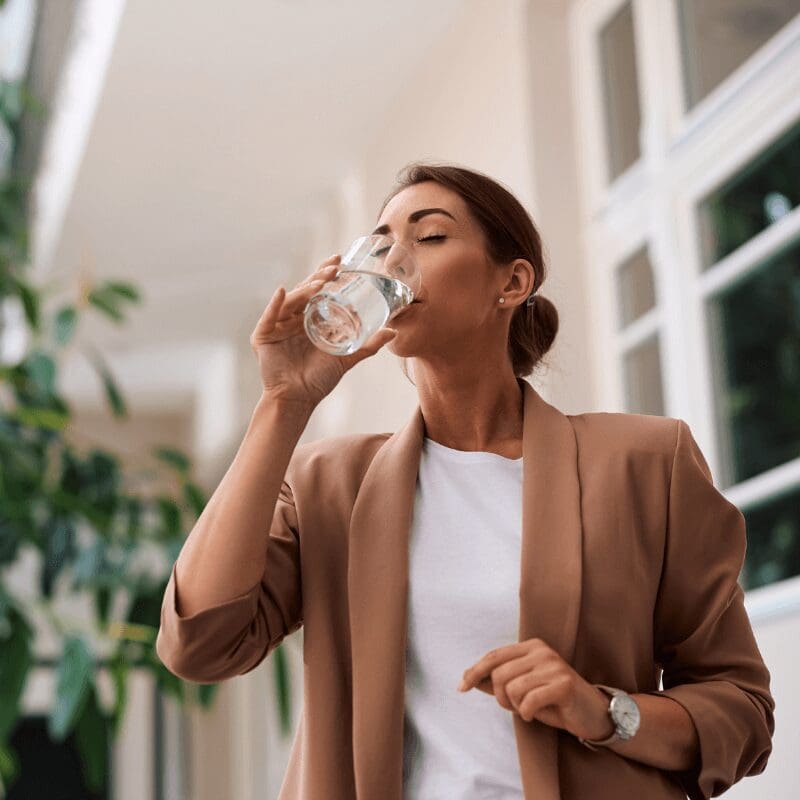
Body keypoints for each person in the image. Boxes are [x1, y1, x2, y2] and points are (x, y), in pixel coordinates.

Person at [156, 162, 775, 800]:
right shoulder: (328, 484)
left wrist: (602, 710)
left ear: (512, 282)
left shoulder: (646, 461)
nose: (393, 261)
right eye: (381, 242)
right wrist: (283, 404)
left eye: (428, 238)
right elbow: (200, 644)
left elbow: (742, 712)